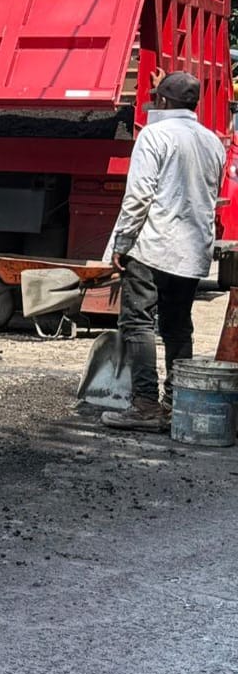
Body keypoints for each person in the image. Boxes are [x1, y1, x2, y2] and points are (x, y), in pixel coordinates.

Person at [99, 71, 224, 432]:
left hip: (153, 245)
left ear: (164, 102)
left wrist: (122, 243)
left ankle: (144, 406)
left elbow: (139, 196)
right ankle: (176, 403)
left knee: (138, 322)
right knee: (177, 326)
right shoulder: (212, 141)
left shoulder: (154, 135)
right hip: (191, 249)